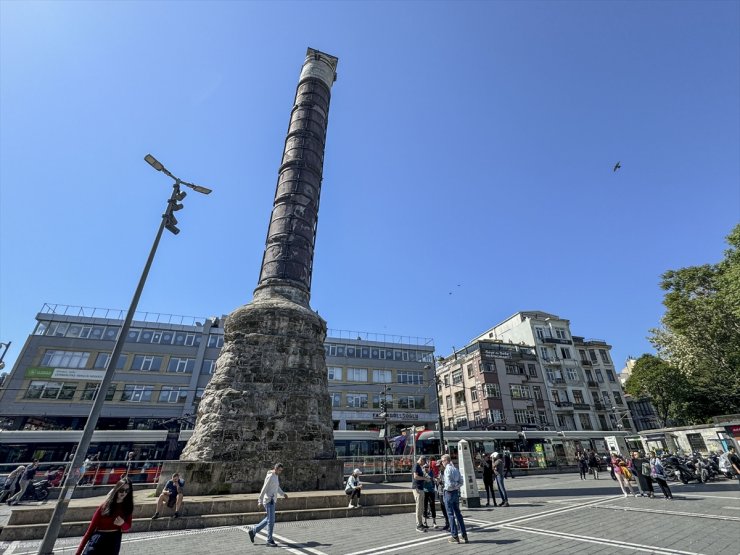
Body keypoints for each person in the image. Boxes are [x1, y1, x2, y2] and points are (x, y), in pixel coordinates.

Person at [76, 478, 133, 555]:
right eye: (121, 490)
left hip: (113, 541)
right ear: (116, 489)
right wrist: (78, 552)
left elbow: (127, 527)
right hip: (98, 540)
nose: (124, 493)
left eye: (127, 491)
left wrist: (122, 524)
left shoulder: (127, 507)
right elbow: (90, 530)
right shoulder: (105, 506)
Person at [248, 462, 288, 547]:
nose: (280, 472)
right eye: (279, 470)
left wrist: (283, 494)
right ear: (276, 469)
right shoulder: (270, 476)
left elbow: (277, 487)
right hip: (268, 501)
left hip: (273, 500)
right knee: (271, 521)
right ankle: (269, 540)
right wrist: (259, 500)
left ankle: (253, 531)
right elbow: (264, 488)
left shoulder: (276, 476)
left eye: (281, 471)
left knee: (269, 519)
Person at [440, 454, 468, 544]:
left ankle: (455, 536)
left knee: (450, 514)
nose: (442, 463)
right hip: (456, 492)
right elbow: (461, 481)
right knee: (458, 514)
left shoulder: (447, 470)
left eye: (442, 461)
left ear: (446, 461)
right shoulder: (455, 469)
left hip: (449, 493)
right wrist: (456, 486)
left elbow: (448, 484)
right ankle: (464, 535)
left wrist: (452, 486)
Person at [411, 455, 429, 532]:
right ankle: (418, 525)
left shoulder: (419, 466)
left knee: (421, 507)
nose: (423, 464)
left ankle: (421, 523)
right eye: (424, 462)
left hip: (421, 488)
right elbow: (415, 476)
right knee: (419, 507)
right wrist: (424, 478)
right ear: (421, 460)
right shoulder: (416, 465)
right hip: (417, 488)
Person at [434, 458, 450, 531]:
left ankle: (449, 523)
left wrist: (440, 482)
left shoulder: (446, 472)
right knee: (443, 508)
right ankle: (447, 522)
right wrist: (437, 481)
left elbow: (447, 483)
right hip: (440, 492)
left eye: (439, 466)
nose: (438, 467)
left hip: (444, 492)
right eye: (437, 466)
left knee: (447, 508)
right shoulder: (440, 472)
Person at [421, 462, 437, 527]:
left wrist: (433, 487)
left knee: (432, 505)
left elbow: (432, 480)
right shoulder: (422, 473)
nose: (426, 468)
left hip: (431, 491)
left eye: (427, 467)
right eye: (425, 467)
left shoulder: (431, 472)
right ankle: (425, 521)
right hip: (425, 491)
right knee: (425, 507)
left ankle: (434, 522)